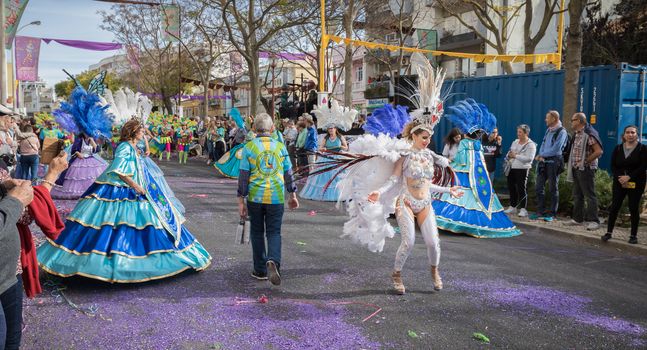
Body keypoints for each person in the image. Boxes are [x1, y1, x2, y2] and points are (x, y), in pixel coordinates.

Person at [38, 119, 212, 282]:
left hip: (137, 186)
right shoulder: (124, 147)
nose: (143, 132)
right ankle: (109, 262)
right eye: (141, 130)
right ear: (133, 132)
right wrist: (135, 185)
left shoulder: (132, 146)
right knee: (114, 223)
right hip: (121, 188)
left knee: (145, 221)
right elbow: (119, 170)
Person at [432, 99, 522, 238]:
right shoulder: (478, 145)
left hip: (463, 175)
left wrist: (450, 165)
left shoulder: (463, 143)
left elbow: (461, 161)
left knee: (457, 194)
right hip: (480, 177)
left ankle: (454, 220)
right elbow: (481, 163)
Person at [237, 113, 299, 286]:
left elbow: (243, 176)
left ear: (254, 129)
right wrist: (292, 194)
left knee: (256, 232)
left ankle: (260, 269)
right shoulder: (280, 147)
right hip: (276, 196)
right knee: (274, 232)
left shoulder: (249, 147)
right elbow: (288, 173)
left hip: (255, 197)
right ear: (272, 129)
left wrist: (240, 201)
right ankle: (273, 260)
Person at [602, 125, 647, 244]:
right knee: (615, 206)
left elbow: (643, 166)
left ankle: (633, 235)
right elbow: (613, 165)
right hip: (620, 182)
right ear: (624, 134)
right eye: (628, 132)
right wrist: (620, 178)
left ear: (637, 134)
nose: (630, 134)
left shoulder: (643, 149)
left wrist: (629, 177)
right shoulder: (617, 148)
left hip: (636, 182)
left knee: (633, 207)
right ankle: (609, 232)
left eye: (633, 132)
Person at [565, 113, 603, 230]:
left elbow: (598, 151)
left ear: (580, 121)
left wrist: (585, 161)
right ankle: (577, 219)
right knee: (577, 195)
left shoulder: (589, 133)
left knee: (589, 195)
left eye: (573, 120)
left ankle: (594, 221)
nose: (571, 121)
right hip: (576, 168)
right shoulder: (577, 134)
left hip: (586, 169)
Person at [530, 110, 569, 222]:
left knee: (553, 188)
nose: (545, 120)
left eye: (547, 118)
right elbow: (542, 144)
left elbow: (556, 149)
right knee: (538, 187)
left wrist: (542, 155)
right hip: (543, 161)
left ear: (554, 119)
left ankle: (552, 213)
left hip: (554, 162)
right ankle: (540, 211)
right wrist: (541, 155)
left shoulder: (562, 132)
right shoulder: (548, 130)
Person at [50, 133, 107, 199]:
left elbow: (97, 150)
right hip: (79, 160)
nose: (88, 134)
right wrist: (78, 153)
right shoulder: (79, 139)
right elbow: (74, 150)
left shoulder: (92, 140)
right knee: (78, 178)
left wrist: (92, 141)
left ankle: (91, 191)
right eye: (86, 132)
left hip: (91, 161)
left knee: (90, 177)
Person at [299, 126, 348, 201]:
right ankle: (323, 195)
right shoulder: (326, 138)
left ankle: (339, 195)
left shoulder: (340, 137)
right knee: (325, 176)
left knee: (337, 176)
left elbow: (346, 147)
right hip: (327, 157)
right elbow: (320, 148)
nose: (331, 130)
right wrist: (323, 149)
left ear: (335, 129)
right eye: (329, 128)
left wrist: (340, 146)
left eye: (332, 128)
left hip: (338, 158)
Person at [503, 124, 536, 217]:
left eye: (520, 132)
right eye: (518, 132)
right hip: (511, 167)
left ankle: (523, 209)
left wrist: (515, 156)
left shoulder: (531, 145)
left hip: (522, 169)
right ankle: (513, 206)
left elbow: (529, 158)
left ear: (526, 133)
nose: (518, 134)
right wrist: (509, 155)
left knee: (521, 188)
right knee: (511, 187)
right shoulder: (515, 142)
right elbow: (509, 152)